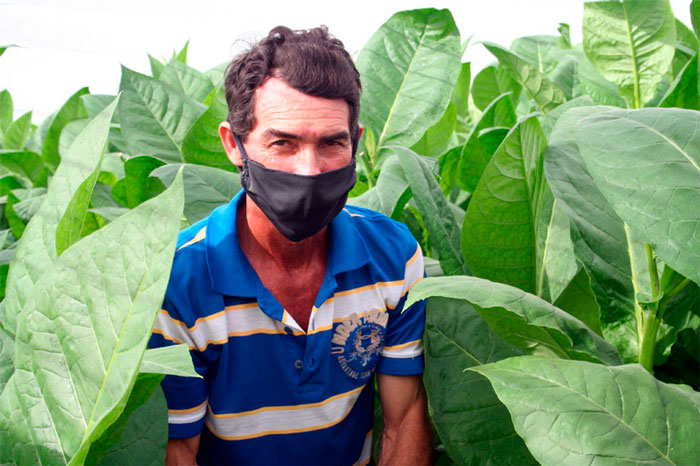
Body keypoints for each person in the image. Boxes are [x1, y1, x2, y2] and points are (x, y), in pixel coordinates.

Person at [149, 25, 432, 466]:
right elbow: (178, 451)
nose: (309, 171)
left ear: (356, 142)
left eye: (331, 143)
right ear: (234, 145)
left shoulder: (394, 257)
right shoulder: (174, 285)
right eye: (283, 143)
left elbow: (405, 417)